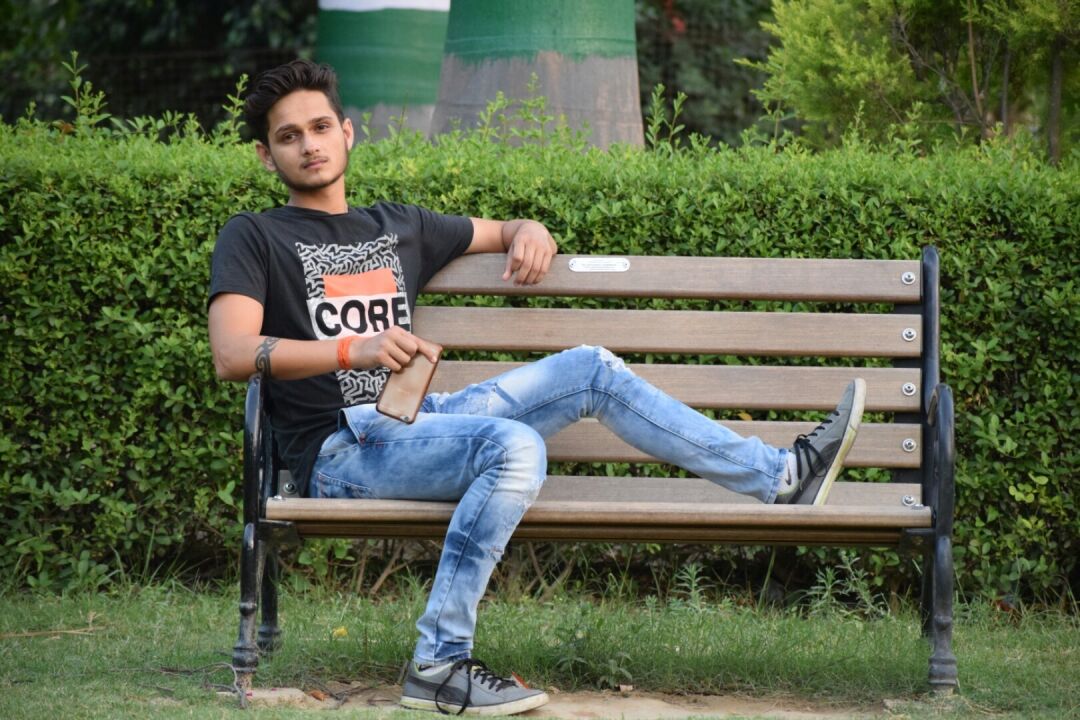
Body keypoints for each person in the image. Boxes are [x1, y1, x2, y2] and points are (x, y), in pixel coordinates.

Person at [208, 59, 866, 716]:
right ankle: (439, 663)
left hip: (420, 419)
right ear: (267, 156)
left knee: (589, 368)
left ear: (347, 132)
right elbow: (233, 354)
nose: (310, 144)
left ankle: (781, 476)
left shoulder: (400, 225)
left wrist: (529, 231)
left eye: (320, 127)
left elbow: (500, 231)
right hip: (340, 450)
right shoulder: (255, 236)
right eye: (289, 136)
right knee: (514, 446)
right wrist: (354, 348)